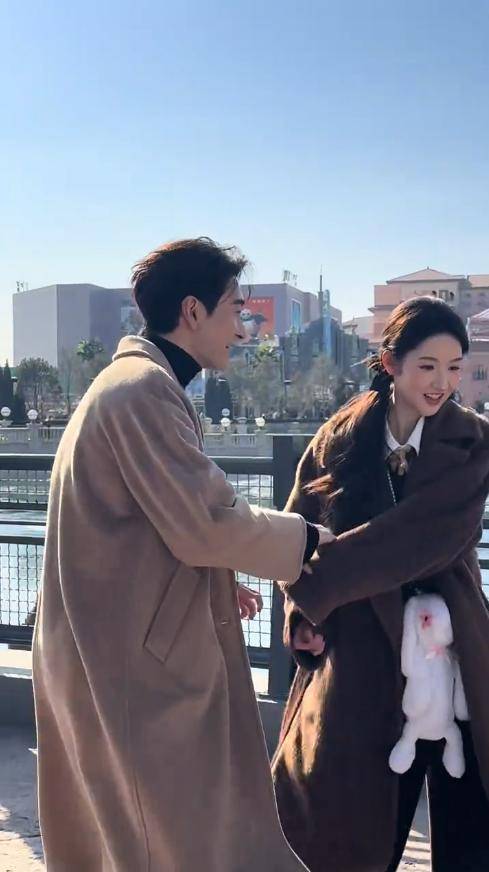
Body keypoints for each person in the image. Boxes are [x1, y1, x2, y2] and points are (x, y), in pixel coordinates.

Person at [33, 237, 332, 871]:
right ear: (193, 312)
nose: (242, 329)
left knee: (143, 836)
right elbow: (205, 520)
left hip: (118, 647)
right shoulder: (143, 390)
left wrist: (214, 583)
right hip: (134, 668)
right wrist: (304, 539)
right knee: (169, 840)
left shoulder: (134, 384)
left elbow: (149, 523)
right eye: (235, 309)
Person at [272, 297, 489, 872]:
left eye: (454, 368)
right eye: (427, 366)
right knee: (357, 825)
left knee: (467, 824)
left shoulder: (473, 442)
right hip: (362, 652)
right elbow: (297, 532)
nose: (443, 383)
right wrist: (301, 618)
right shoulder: (340, 438)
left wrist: (317, 588)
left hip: (454, 653)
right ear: (391, 363)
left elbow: (422, 538)